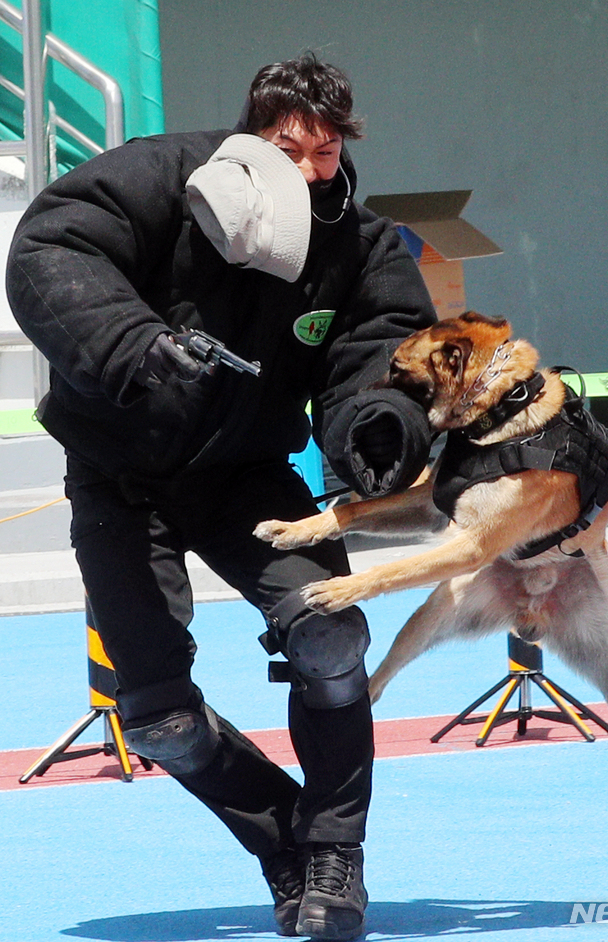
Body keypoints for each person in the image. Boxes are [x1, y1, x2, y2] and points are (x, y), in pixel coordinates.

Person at [6, 53, 436, 941]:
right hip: (119, 474)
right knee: (159, 720)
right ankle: (287, 842)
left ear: (343, 148)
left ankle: (335, 855)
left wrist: (376, 425)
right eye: (288, 146)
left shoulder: (358, 243)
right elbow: (52, 242)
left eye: (323, 153)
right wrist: (130, 342)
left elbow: (385, 351)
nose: (305, 168)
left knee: (328, 636)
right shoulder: (161, 174)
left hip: (249, 476)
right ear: (255, 131)